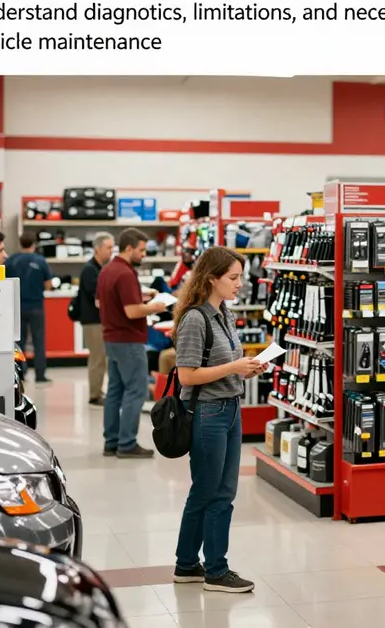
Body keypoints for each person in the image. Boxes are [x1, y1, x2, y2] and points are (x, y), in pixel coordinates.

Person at [171, 247, 264, 594]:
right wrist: (233, 367)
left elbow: (223, 366)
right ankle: (216, 570)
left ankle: (186, 564)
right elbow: (187, 376)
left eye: (240, 277)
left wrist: (246, 370)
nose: (240, 283)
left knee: (214, 491)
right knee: (214, 493)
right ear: (212, 278)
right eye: (233, 277)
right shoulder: (195, 319)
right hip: (208, 413)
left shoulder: (224, 313)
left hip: (230, 408)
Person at [97, 228, 166, 459]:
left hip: (112, 339)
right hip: (128, 340)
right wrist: (155, 307)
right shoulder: (126, 274)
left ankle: (111, 442)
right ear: (129, 248)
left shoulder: (107, 270)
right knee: (136, 390)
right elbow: (132, 311)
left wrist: (141, 297)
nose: (144, 254)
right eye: (141, 250)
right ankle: (127, 443)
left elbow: (104, 302)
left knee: (115, 391)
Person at [5, 232, 54, 385]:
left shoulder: (11, 261)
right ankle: (40, 375)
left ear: (20, 243)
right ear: (34, 244)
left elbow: (4, 281)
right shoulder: (41, 261)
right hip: (36, 306)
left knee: (19, 342)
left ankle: (20, 373)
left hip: (17, 306)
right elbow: (48, 285)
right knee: (39, 341)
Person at [78, 232, 115, 406]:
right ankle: (94, 394)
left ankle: (98, 391)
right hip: (93, 320)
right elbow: (98, 297)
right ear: (97, 249)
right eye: (108, 248)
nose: (111, 251)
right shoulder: (90, 270)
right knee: (97, 358)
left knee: (101, 357)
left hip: (100, 320)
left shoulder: (100, 268)